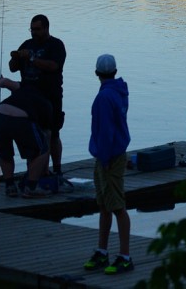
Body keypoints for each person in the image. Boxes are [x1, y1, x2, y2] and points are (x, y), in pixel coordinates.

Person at [84, 53, 132, 276]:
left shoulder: (104, 97)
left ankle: (125, 256)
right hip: (115, 153)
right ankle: (102, 251)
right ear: (115, 71)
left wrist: (104, 159)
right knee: (104, 205)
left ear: (96, 73)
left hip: (109, 157)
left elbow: (105, 132)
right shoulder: (119, 91)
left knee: (117, 206)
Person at [8, 13, 67, 183]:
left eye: (37, 29)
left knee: (53, 134)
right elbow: (12, 68)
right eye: (32, 29)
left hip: (51, 96)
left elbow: (54, 66)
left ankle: (57, 169)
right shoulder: (27, 44)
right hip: (29, 99)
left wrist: (32, 58)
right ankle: (36, 172)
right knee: (33, 136)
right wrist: (15, 58)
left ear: (46, 28)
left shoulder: (56, 45)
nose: (34, 32)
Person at [0, 76, 52, 198]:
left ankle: (10, 187)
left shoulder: (23, 87)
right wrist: (44, 169)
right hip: (20, 120)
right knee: (42, 149)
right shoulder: (47, 104)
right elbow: (46, 133)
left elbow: (2, 82)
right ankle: (31, 188)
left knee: (4, 152)